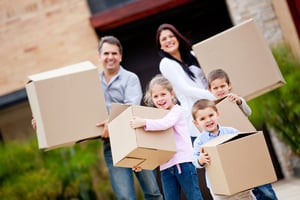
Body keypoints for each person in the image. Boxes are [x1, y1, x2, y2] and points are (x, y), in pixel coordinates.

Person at [95, 36, 163, 200]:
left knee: (152, 192)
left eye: (114, 53)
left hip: (134, 139)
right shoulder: (92, 82)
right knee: (125, 197)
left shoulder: (130, 78)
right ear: (99, 57)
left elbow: (131, 107)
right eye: (106, 53)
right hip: (110, 144)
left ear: (120, 56)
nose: (110, 57)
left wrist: (110, 122)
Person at [207, 69, 278, 200]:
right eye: (215, 88)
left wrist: (239, 101)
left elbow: (248, 112)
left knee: (264, 187)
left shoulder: (234, 100)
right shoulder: (212, 109)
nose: (220, 90)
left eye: (222, 86)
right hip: (234, 154)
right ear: (210, 90)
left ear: (229, 85)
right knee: (248, 190)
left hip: (249, 147)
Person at [129, 74, 203, 200]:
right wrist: (143, 163)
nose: (160, 99)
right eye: (156, 96)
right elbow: (153, 145)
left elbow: (165, 124)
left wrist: (144, 122)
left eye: (163, 94)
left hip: (183, 163)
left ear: (172, 94)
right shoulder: (156, 118)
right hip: (165, 167)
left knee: (194, 196)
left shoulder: (176, 111)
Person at [155, 23, 215, 143]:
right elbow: (184, 88)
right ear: (161, 46)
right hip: (196, 115)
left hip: (212, 108)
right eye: (164, 39)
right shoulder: (166, 63)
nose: (168, 40)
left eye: (171, 36)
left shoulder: (192, 55)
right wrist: (214, 97)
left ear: (177, 37)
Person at [191, 99, 256, 200]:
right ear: (196, 123)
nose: (208, 120)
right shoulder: (199, 141)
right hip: (218, 186)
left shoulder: (231, 131)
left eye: (211, 115)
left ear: (217, 114)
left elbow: (242, 147)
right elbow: (194, 160)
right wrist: (200, 160)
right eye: (202, 119)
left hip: (239, 179)